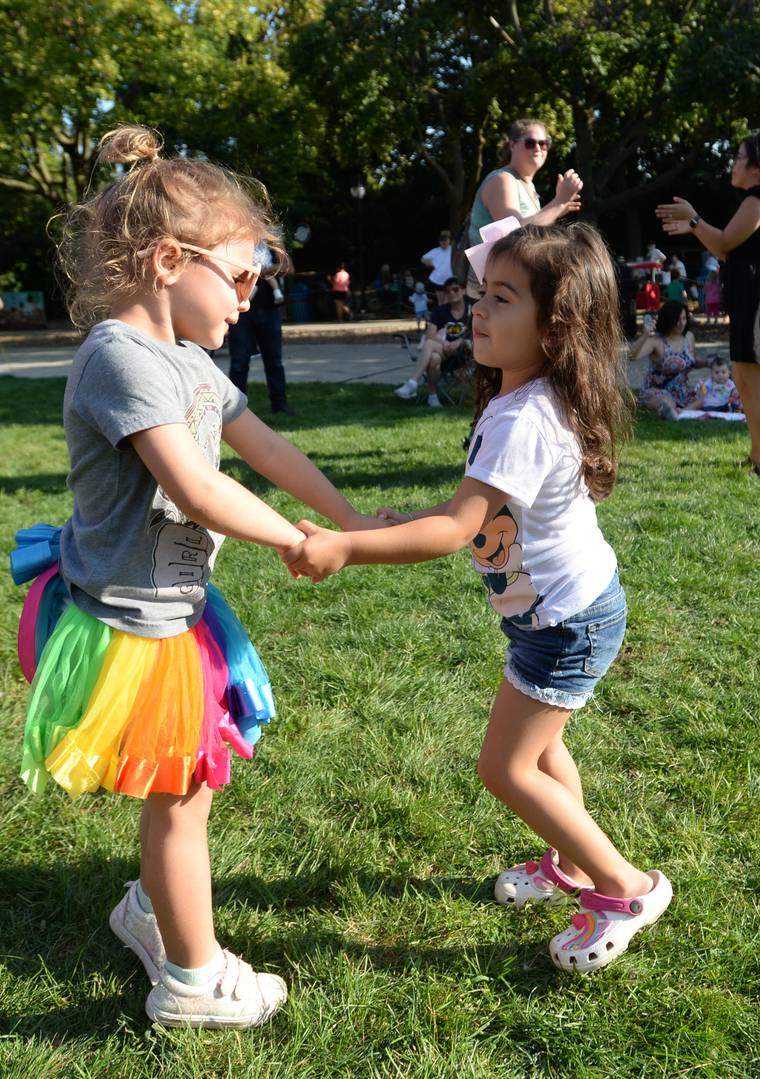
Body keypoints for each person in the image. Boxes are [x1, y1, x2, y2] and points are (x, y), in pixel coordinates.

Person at [10, 124, 382, 1029]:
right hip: (133, 625)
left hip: (177, 608)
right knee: (180, 801)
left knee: (191, 788)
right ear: (172, 260)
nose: (253, 298)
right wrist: (298, 543)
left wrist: (349, 520)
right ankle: (189, 976)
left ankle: (150, 907)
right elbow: (200, 486)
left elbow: (266, 447)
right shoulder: (118, 357)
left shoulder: (192, 363)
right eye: (244, 275)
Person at [284, 220, 673, 974]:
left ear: (555, 327)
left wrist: (347, 546)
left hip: (567, 623)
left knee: (506, 767)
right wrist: (409, 521)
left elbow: (459, 527)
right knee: (543, 749)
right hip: (561, 615)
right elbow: (479, 513)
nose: (477, 312)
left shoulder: (524, 415)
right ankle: (570, 861)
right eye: (477, 295)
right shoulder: (525, 397)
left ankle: (625, 885)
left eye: (500, 298)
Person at [657, 132, 760, 476]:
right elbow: (743, 247)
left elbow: (723, 244)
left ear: (758, 165)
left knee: (757, 379)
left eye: (738, 157)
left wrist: (693, 220)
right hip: (756, 294)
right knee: (745, 376)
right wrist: (695, 228)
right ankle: (758, 455)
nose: (732, 163)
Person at [465, 118, 583, 299]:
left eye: (544, 143)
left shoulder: (529, 187)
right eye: (530, 143)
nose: (538, 148)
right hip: (491, 297)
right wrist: (558, 203)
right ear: (512, 145)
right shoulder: (502, 179)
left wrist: (558, 207)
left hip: (511, 291)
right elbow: (513, 233)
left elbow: (532, 238)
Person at [227, 242, 294, 415]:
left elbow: (288, 268)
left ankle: (280, 405)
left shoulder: (273, 243)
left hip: (269, 310)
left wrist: (261, 270)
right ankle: (235, 410)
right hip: (242, 312)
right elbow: (231, 270)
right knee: (239, 363)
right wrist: (268, 270)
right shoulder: (237, 242)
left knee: (274, 362)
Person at [394, 277, 471, 408]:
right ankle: (433, 397)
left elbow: (477, 333)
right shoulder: (440, 311)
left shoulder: (472, 311)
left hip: (464, 354)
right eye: (447, 291)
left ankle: (413, 383)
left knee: (429, 345)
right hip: (444, 353)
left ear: (463, 290)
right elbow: (430, 334)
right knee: (434, 358)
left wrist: (459, 341)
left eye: (455, 289)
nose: (451, 293)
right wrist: (444, 343)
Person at [629, 300, 705, 419]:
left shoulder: (689, 337)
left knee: (704, 399)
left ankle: (680, 413)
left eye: (684, 319)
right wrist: (645, 335)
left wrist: (708, 363)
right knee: (667, 402)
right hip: (657, 390)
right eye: (677, 320)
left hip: (682, 390)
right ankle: (672, 411)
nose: (681, 323)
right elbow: (632, 356)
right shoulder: (656, 341)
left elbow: (691, 361)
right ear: (668, 320)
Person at [420, 231, 454, 306]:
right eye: (442, 241)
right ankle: (441, 316)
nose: (444, 242)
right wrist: (433, 264)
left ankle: (445, 316)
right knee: (440, 301)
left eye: (445, 240)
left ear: (449, 240)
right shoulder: (435, 251)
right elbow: (423, 259)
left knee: (447, 300)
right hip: (438, 279)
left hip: (450, 279)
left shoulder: (453, 250)